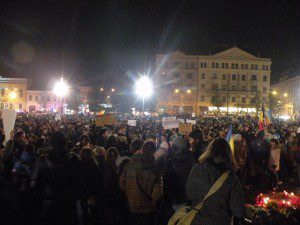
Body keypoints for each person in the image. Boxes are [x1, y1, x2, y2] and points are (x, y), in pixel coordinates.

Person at [186, 138, 245, 225]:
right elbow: (238, 210)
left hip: (195, 219)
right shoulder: (229, 177)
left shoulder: (196, 168)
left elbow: (189, 192)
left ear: (209, 150)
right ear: (228, 154)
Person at [31, 132, 82, 225]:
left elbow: (35, 185)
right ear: (66, 142)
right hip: (68, 203)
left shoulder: (43, 160)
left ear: (51, 143)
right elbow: (80, 182)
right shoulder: (75, 159)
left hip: (50, 203)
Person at [120, 141, 162, 225]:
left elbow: (122, 185)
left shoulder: (128, 166)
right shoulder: (156, 170)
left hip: (131, 205)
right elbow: (156, 195)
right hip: (149, 209)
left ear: (141, 150)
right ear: (154, 152)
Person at [156, 137, 195, 225]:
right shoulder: (192, 158)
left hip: (175, 197)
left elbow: (168, 180)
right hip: (187, 196)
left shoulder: (172, 159)